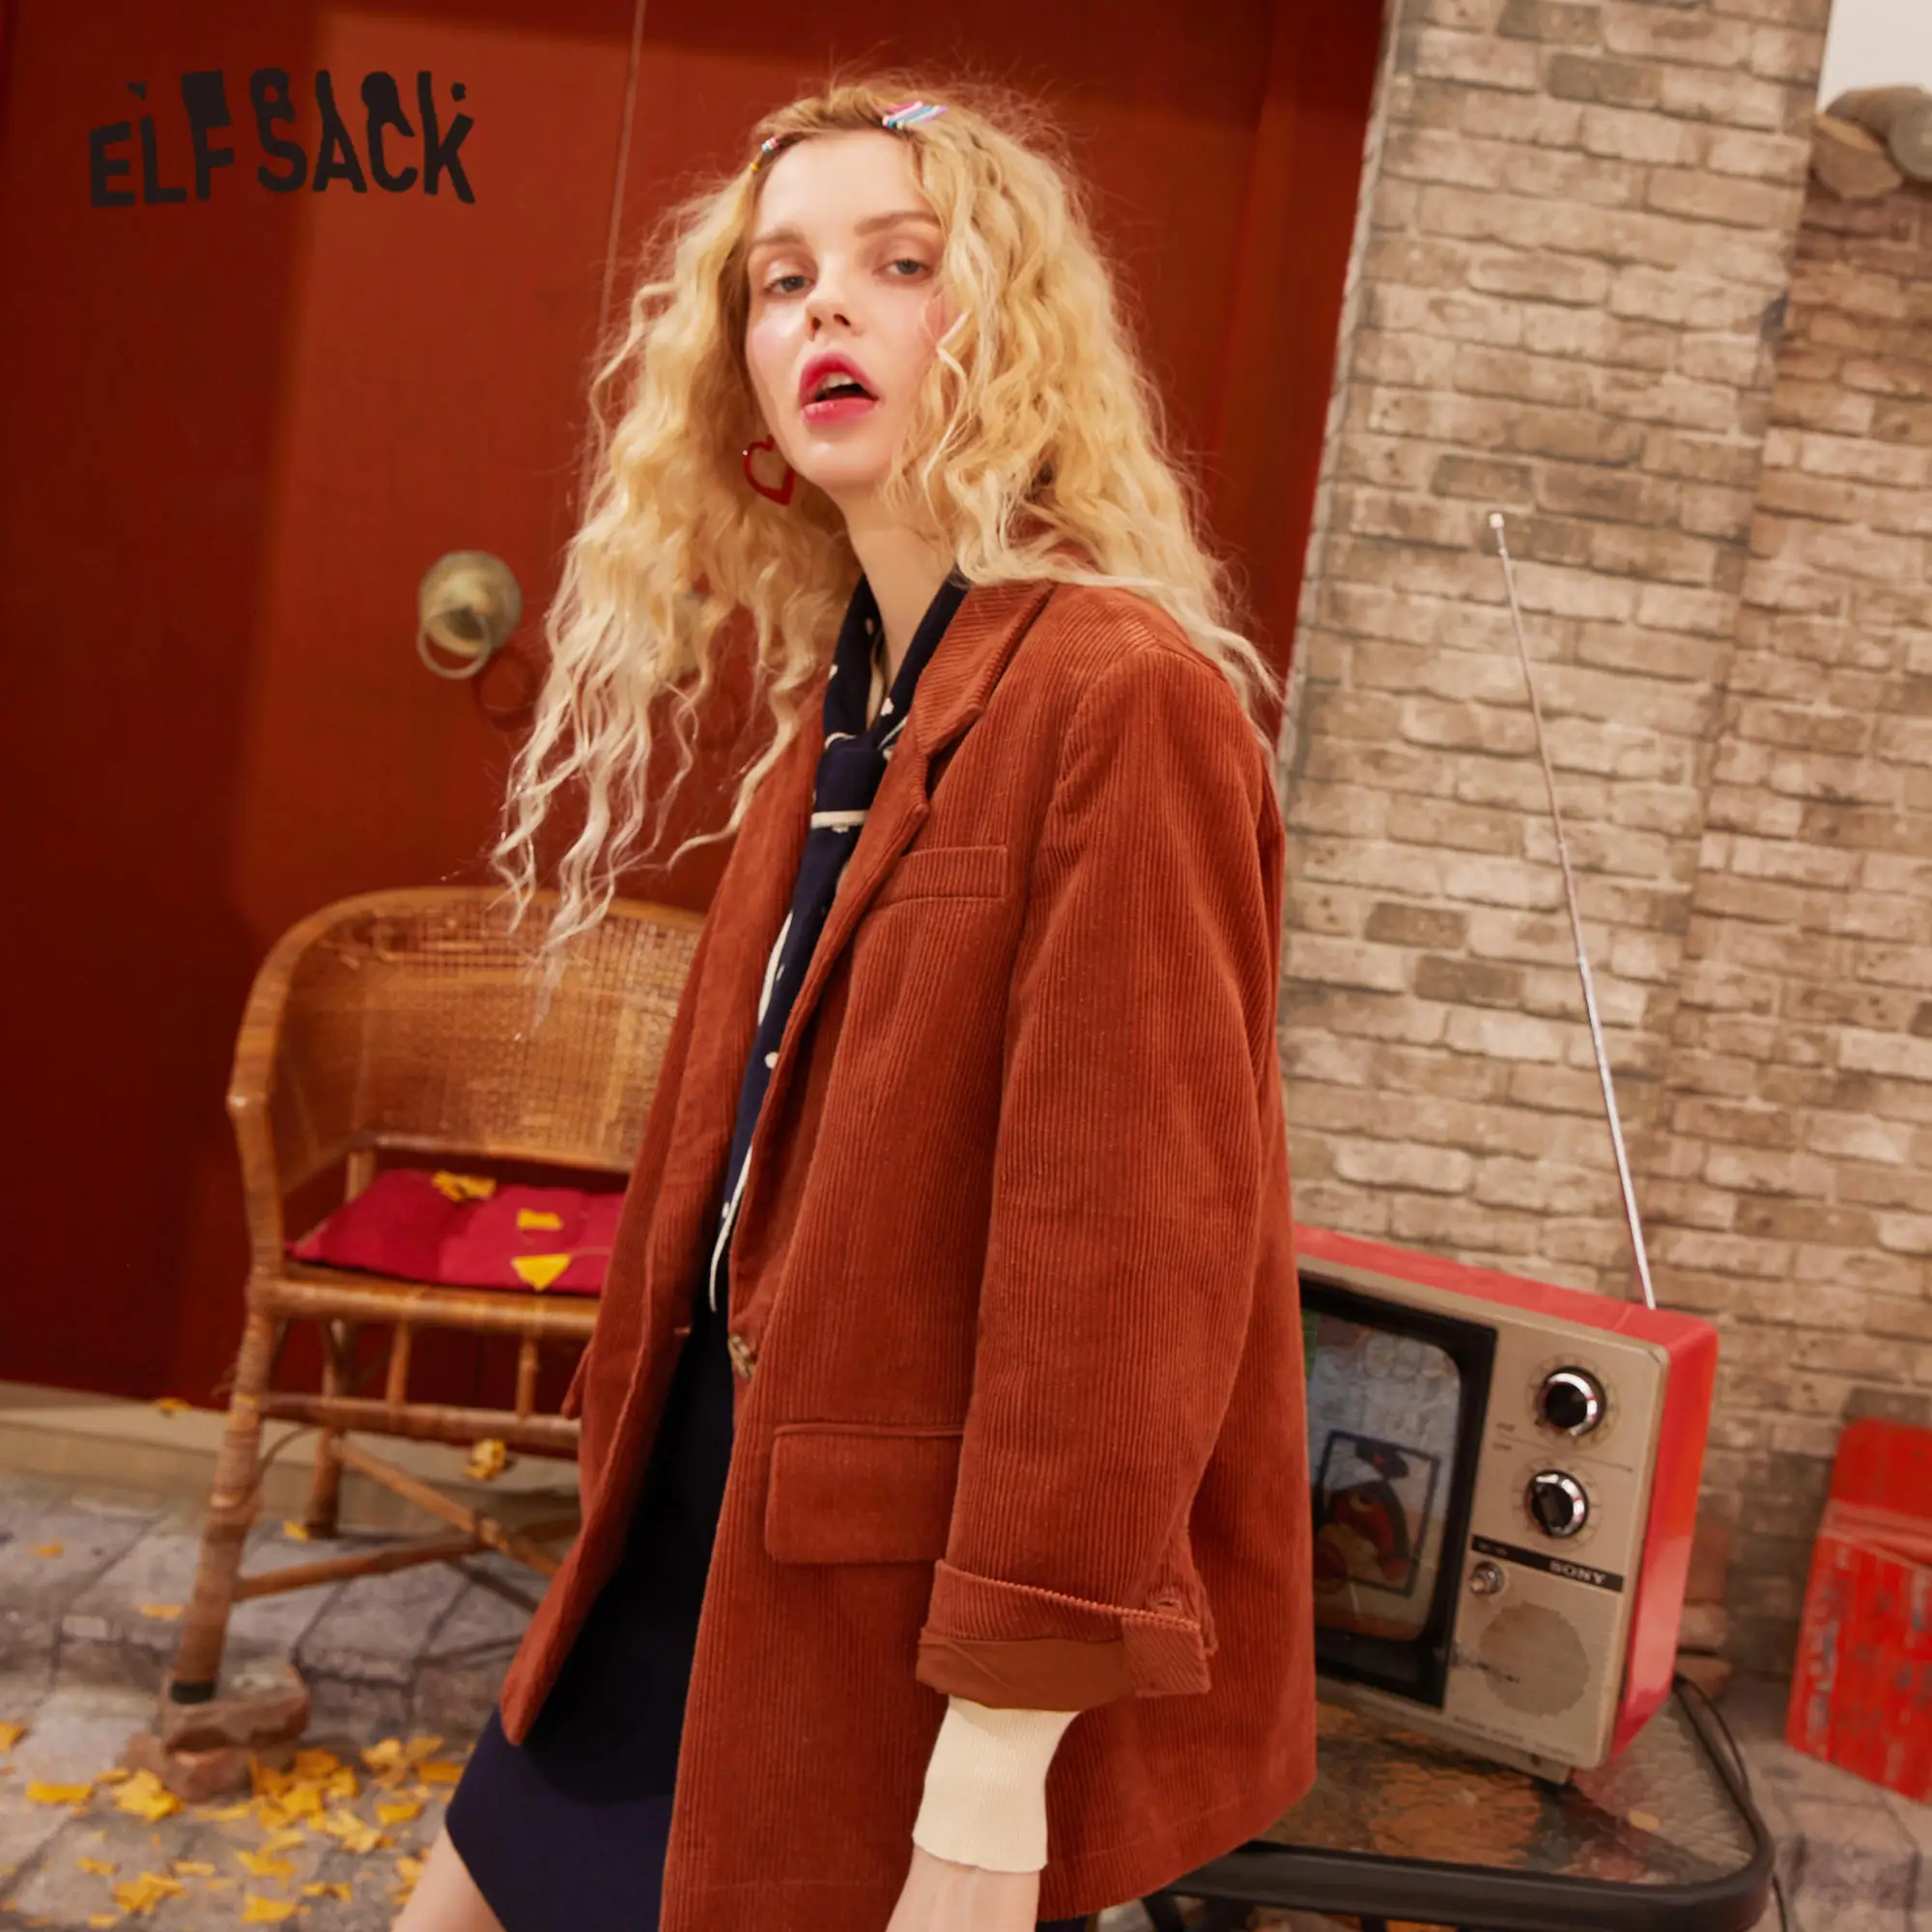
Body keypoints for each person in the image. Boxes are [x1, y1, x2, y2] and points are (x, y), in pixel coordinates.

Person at [397, 73, 1315, 1932]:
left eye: (901, 263)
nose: (826, 307)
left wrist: (996, 1762)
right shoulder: (845, 713)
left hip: (884, 1643)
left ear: (1014, 327)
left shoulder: (1118, 697)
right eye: (780, 278)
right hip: (678, 1558)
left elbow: (1125, 1266)